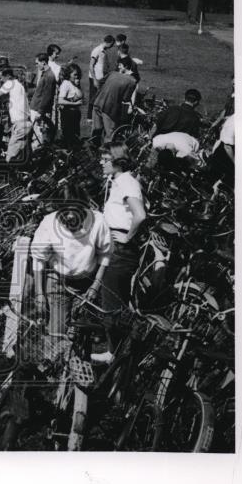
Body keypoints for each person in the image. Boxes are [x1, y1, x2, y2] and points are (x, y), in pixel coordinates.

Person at [30, 183, 111, 349]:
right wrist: (39, 293)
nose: (70, 217)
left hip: (88, 283)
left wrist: (96, 285)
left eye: (75, 210)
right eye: (64, 212)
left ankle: (81, 364)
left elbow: (105, 254)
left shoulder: (98, 221)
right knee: (56, 336)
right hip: (59, 282)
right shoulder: (49, 224)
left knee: (84, 335)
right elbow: (38, 258)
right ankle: (54, 368)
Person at [95, 144, 147, 360]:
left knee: (112, 305)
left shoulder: (127, 182)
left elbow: (140, 215)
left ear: (117, 161)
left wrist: (127, 236)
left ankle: (117, 353)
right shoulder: (117, 182)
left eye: (105, 158)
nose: (101, 162)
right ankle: (120, 349)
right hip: (114, 246)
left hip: (121, 249)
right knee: (112, 301)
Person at [91, 57, 138, 145]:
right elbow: (125, 99)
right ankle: (107, 155)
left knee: (96, 132)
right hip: (109, 109)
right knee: (110, 135)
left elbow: (100, 83)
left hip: (97, 103)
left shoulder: (112, 73)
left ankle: (92, 150)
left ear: (125, 67)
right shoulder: (132, 81)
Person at [0, 68, 30, 164]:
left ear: (8, 76)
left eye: (2, 78)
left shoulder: (10, 83)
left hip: (20, 124)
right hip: (26, 123)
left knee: (10, 157)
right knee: (22, 156)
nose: (1, 81)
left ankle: (9, 174)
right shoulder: (19, 85)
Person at [57, 63, 84, 148]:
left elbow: (81, 96)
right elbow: (60, 100)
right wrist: (74, 103)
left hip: (75, 114)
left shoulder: (75, 83)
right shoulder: (66, 84)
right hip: (68, 114)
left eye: (78, 74)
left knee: (75, 136)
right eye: (75, 74)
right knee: (69, 137)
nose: (77, 77)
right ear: (69, 74)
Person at [88, 35, 115, 118]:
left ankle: (97, 115)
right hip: (95, 78)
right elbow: (91, 66)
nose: (112, 46)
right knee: (93, 97)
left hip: (101, 78)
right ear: (109, 42)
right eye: (112, 44)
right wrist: (95, 80)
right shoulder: (97, 50)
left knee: (100, 97)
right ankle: (89, 117)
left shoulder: (104, 51)